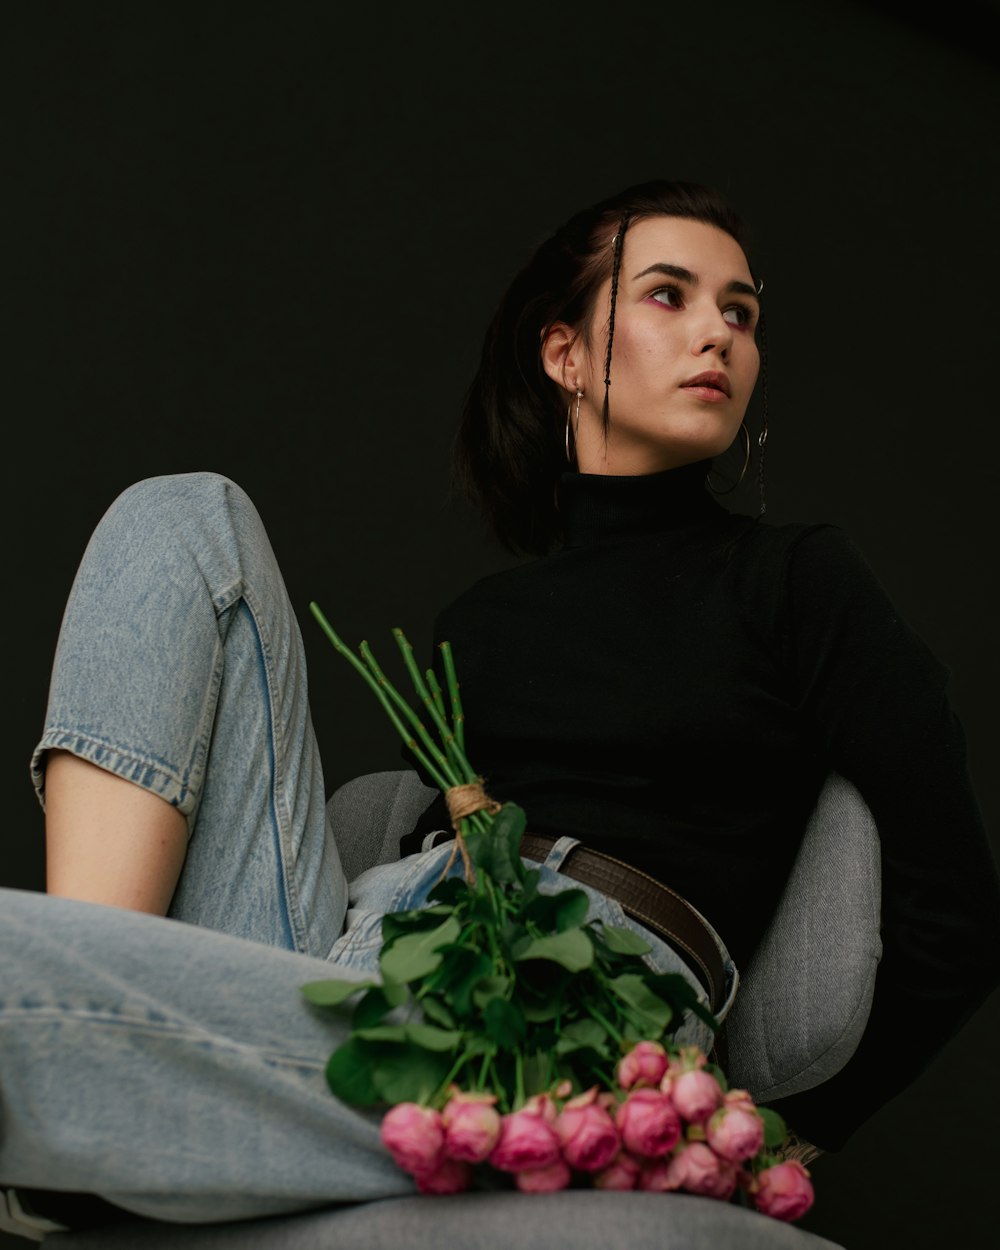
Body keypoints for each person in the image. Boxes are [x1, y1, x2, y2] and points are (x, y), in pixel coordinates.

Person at [2, 181, 998, 1230]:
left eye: (740, 312)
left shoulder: (796, 579)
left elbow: (956, 907)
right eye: (670, 295)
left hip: (573, 1007)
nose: (718, 332)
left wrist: (773, 1141)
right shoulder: (476, 625)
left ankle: (92, 1064)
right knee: (183, 515)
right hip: (351, 955)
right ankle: (108, 1006)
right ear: (564, 354)